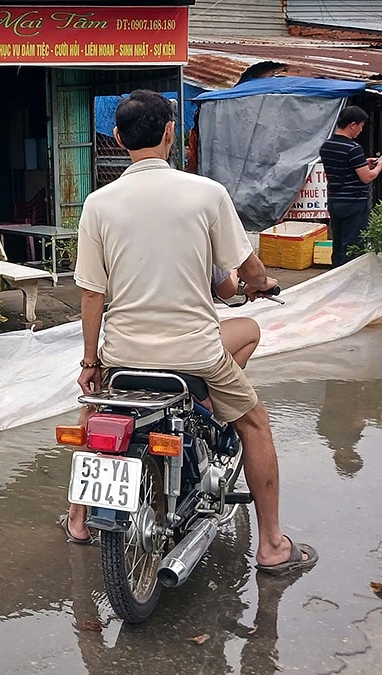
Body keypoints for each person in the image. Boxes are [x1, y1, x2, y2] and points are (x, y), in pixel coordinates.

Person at [61, 90, 317, 576]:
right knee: (255, 424)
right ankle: (272, 546)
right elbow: (244, 270)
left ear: (117, 138)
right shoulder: (206, 193)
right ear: (170, 133)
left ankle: (78, 519)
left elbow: (91, 294)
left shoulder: (97, 203)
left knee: (96, 412)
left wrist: (91, 363)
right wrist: (260, 284)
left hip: (123, 356)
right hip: (194, 355)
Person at [318, 105, 381, 267]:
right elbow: (367, 177)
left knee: (338, 244)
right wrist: (380, 166)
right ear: (353, 125)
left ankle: (335, 275)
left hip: (334, 202)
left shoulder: (326, 146)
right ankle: (348, 280)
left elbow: (343, 166)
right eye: (360, 126)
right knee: (353, 246)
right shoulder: (354, 149)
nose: (360, 131)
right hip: (354, 203)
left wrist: (364, 162)